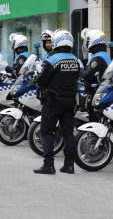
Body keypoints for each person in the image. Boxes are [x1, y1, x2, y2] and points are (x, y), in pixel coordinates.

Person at [34, 29, 80, 175]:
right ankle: (69, 165)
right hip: (70, 101)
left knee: (47, 131)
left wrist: (38, 73)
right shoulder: (75, 59)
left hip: (53, 101)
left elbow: (41, 80)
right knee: (68, 133)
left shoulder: (52, 59)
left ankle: (48, 165)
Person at [80, 29, 111, 122]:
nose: (86, 44)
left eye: (88, 41)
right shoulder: (101, 55)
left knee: (95, 120)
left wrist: (79, 68)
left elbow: (87, 75)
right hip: (97, 92)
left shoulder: (98, 58)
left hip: (97, 94)